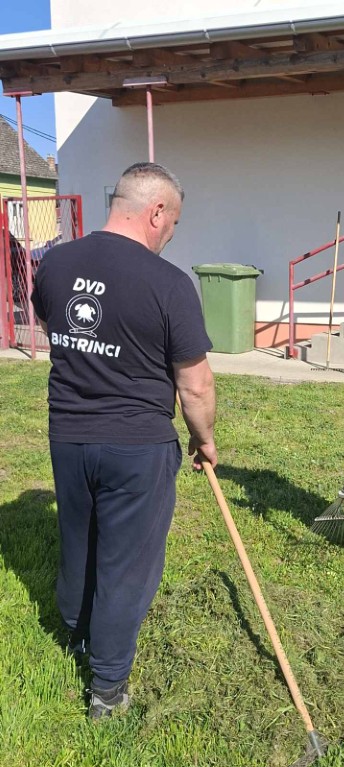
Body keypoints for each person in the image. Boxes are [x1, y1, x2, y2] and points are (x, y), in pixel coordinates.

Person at [31, 162, 217, 716]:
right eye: (173, 223)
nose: (171, 235)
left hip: (68, 436)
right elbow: (196, 384)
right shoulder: (169, 284)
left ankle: (76, 630)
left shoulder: (55, 263)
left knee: (80, 538)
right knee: (127, 564)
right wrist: (204, 440)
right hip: (137, 446)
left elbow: (53, 326)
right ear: (156, 211)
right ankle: (108, 687)